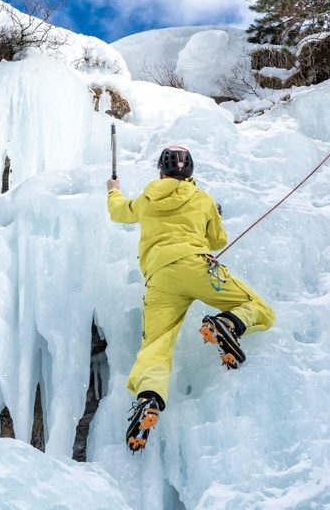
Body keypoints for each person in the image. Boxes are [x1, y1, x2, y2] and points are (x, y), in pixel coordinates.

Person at [106, 145, 275, 452]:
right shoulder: (202, 199)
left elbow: (118, 212)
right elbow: (218, 240)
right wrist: (214, 215)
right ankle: (229, 323)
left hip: (159, 280)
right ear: (190, 173)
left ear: (161, 172)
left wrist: (113, 191)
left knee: (155, 347)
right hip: (197, 268)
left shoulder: (145, 200)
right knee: (259, 308)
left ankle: (149, 400)